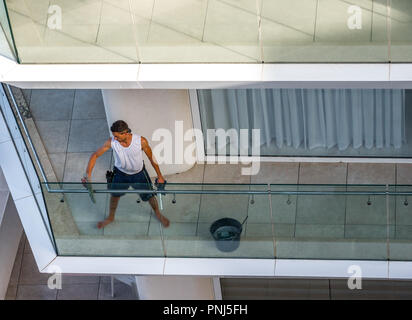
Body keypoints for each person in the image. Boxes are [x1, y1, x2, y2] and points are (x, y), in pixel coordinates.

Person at [84, 120, 170, 229]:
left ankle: (158, 214)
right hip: (120, 174)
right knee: (114, 196)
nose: (115, 138)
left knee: (150, 196)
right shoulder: (112, 142)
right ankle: (110, 217)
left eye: (117, 136)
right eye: (113, 136)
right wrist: (88, 175)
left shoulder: (140, 141)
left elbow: (151, 157)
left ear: (125, 133)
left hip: (139, 174)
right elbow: (95, 155)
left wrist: (160, 176)